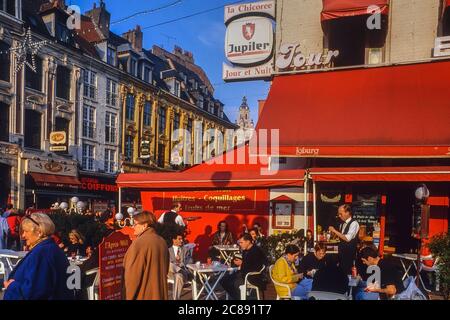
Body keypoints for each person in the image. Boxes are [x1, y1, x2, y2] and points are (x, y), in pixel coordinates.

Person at [3, 213, 72, 300]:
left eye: (26, 231)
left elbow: (35, 291)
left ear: (39, 232)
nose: (23, 236)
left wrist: (12, 286)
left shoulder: (43, 253)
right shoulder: (48, 249)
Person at [123, 211, 169, 300]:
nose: (133, 227)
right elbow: (165, 269)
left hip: (143, 295)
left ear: (145, 225)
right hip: (159, 294)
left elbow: (132, 277)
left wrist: (127, 297)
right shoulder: (161, 241)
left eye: (135, 224)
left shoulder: (139, 243)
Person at [220, 233, 268, 300]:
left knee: (235, 283)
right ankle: (238, 297)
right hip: (244, 273)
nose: (240, 244)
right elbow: (246, 263)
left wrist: (242, 263)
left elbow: (255, 266)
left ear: (248, 242)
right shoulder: (245, 250)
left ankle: (241, 298)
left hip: (253, 276)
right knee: (223, 280)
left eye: (241, 242)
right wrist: (237, 261)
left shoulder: (256, 251)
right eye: (239, 242)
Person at [328, 204, 360, 274]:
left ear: (347, 212)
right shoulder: (342, 224)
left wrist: (334, 231)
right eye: (338, 214)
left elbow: (347, 238)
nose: (339, 216)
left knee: (347, 274)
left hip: (349, 255)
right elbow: (341, 237)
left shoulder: (354, 223)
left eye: (340, 214)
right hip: (341, 254)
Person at [168, 232, 192, 300]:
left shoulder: (185, 250)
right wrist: (174, 265)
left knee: (178, 275)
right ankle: (177, 269)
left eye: (182, 239)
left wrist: (181, 264)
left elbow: (190, 261)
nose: (181, 240)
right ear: (174, 240)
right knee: (168, 264)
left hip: (182, 273)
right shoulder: (168, 250)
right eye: (179, 239)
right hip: (171, 273)